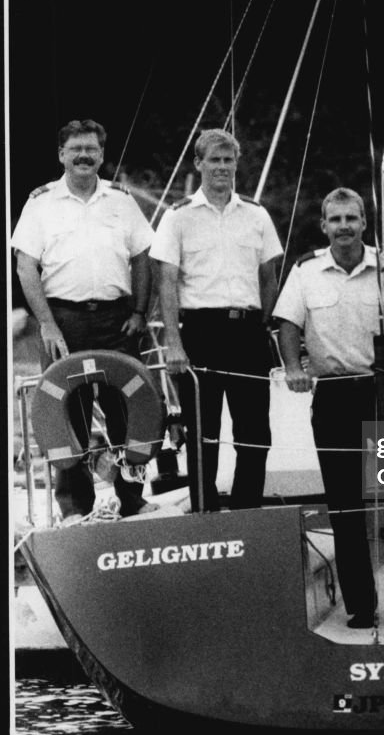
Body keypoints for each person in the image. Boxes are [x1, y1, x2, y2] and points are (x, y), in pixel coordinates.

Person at [275, 187, 384, 629]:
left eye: (352, 218)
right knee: (346, 507)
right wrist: (293, 367)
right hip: (333, 395)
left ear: (365, 223)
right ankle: (361, 605)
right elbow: (287, 324)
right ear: (324, 226)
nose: (344, 226)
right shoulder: (306, 271)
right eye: (336, 219)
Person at [11, 119, 155, 522]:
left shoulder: (121, 201)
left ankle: (132, 497)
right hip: (64, 320)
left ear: (102, 155)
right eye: (75, 148)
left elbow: (142, 258)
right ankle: (75, 507)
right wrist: (48, 324)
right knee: (67, 415)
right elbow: (26, 267)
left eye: (91, 149)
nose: (83, 155)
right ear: (61, 155)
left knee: (126, 410)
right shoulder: (40, 204)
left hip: (116, 320)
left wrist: (141, 312)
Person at [151, 129, 282, 512]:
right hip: (200, 334)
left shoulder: (256, 215)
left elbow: (269, 276)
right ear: (199, 163)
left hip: (248, 332)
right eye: (214, 160)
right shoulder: (178, 218)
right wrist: (174, 343)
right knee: (203, 434)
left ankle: (247, 512)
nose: (222, 167)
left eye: (228, 160)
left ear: (236, 165)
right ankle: (206, 512)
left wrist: (264, 324)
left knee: (255, 434)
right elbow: (166, 282)